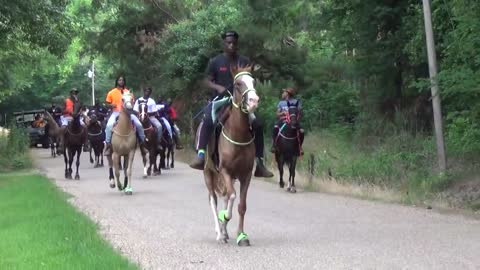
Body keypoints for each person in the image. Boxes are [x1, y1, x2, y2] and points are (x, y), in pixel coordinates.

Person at [188, 30, 273, 178]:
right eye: (228, 42)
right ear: (224, 44)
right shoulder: (215, 61)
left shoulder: (244, 61)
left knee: (257, 124)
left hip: (239, 101)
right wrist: (218, 87)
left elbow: (249, 80)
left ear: (237, 43)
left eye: (234, 42)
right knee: (208, 121)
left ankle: (259, 162)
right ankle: (201, 155)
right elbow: (207, 81)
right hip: (220, 100)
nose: (231, 45)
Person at [103, 76, 147, 156]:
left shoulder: (128, 92)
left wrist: (131, 107)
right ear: (117, 81)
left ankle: (142, 144)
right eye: (119, 80)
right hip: (116, 112)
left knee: (139, 125)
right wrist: (111, 105)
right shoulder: (111, 92)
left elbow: (132, 103)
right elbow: (107, 104)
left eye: (122, 80)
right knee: (109, 126)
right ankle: (108, 145)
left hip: (128, 113)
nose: (121, 81)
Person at [271, 87, 304, 155]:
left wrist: (296, 119)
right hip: (283, 120)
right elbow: (277, 114)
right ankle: (274, 145)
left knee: (302, 131)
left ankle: (299, 147)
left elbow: (300, 113)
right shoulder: (281, 103)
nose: (283, 93)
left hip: (294, 120)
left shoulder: (296, 102)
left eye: (284, 92)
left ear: (287, 94)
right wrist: (282, 113)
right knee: (275, 128)